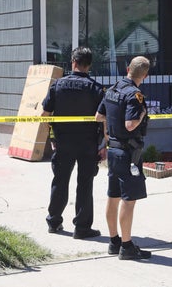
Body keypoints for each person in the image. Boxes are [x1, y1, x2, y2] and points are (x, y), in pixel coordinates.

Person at [42, 47, 106, 240]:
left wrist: (52, 137)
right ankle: (82, 228)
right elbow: (103, 119)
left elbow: (45, 115)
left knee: (60, 181)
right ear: (89, 65)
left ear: (73, 62)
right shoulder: (96, 88)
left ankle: (54, 221)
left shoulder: (57, 85)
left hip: (63, 142)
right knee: (85, 184)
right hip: (88, 143)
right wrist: (103, 145)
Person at [95, 56, 152, 260]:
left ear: (128, 69)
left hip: (113, 150)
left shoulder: (112, 90)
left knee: (113, 196)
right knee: (129, 200)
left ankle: (114, 241)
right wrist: (142, 114)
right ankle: (127, 247)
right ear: (144, 75)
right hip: (129, 153)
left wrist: (112, 127)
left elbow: (98, 116)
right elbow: (130, 124)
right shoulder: (134, 95)